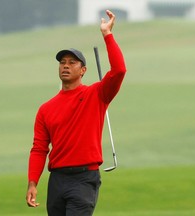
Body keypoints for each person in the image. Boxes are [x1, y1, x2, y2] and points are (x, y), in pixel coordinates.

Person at [26, 9, 126, 216]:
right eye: (62, 62)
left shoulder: (96, 94)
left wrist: (107, 35)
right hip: (57, 180)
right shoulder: (46, 108)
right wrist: (33, 182)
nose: (66, 66)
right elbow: (39, 149)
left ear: (83, 70)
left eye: (72, 62)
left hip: (84, 179)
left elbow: (119, 71)